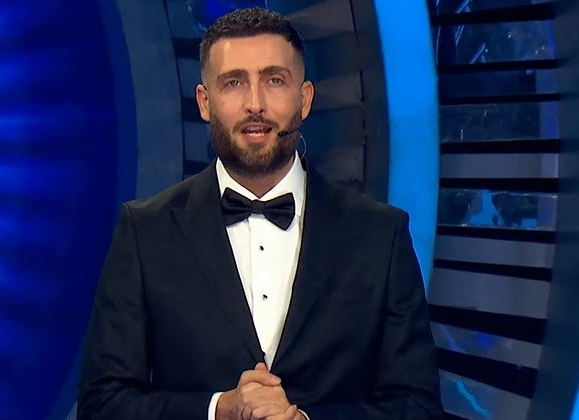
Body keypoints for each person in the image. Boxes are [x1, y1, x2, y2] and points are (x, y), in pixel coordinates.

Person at [78, 7, 443, 420]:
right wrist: (219, 410)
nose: (255, 104)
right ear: (204, 102)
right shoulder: (146, 232)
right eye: (233, 83)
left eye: (274, 80)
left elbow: (418, 408)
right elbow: (102, 405)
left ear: (304, 99)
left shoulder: (380, 235)